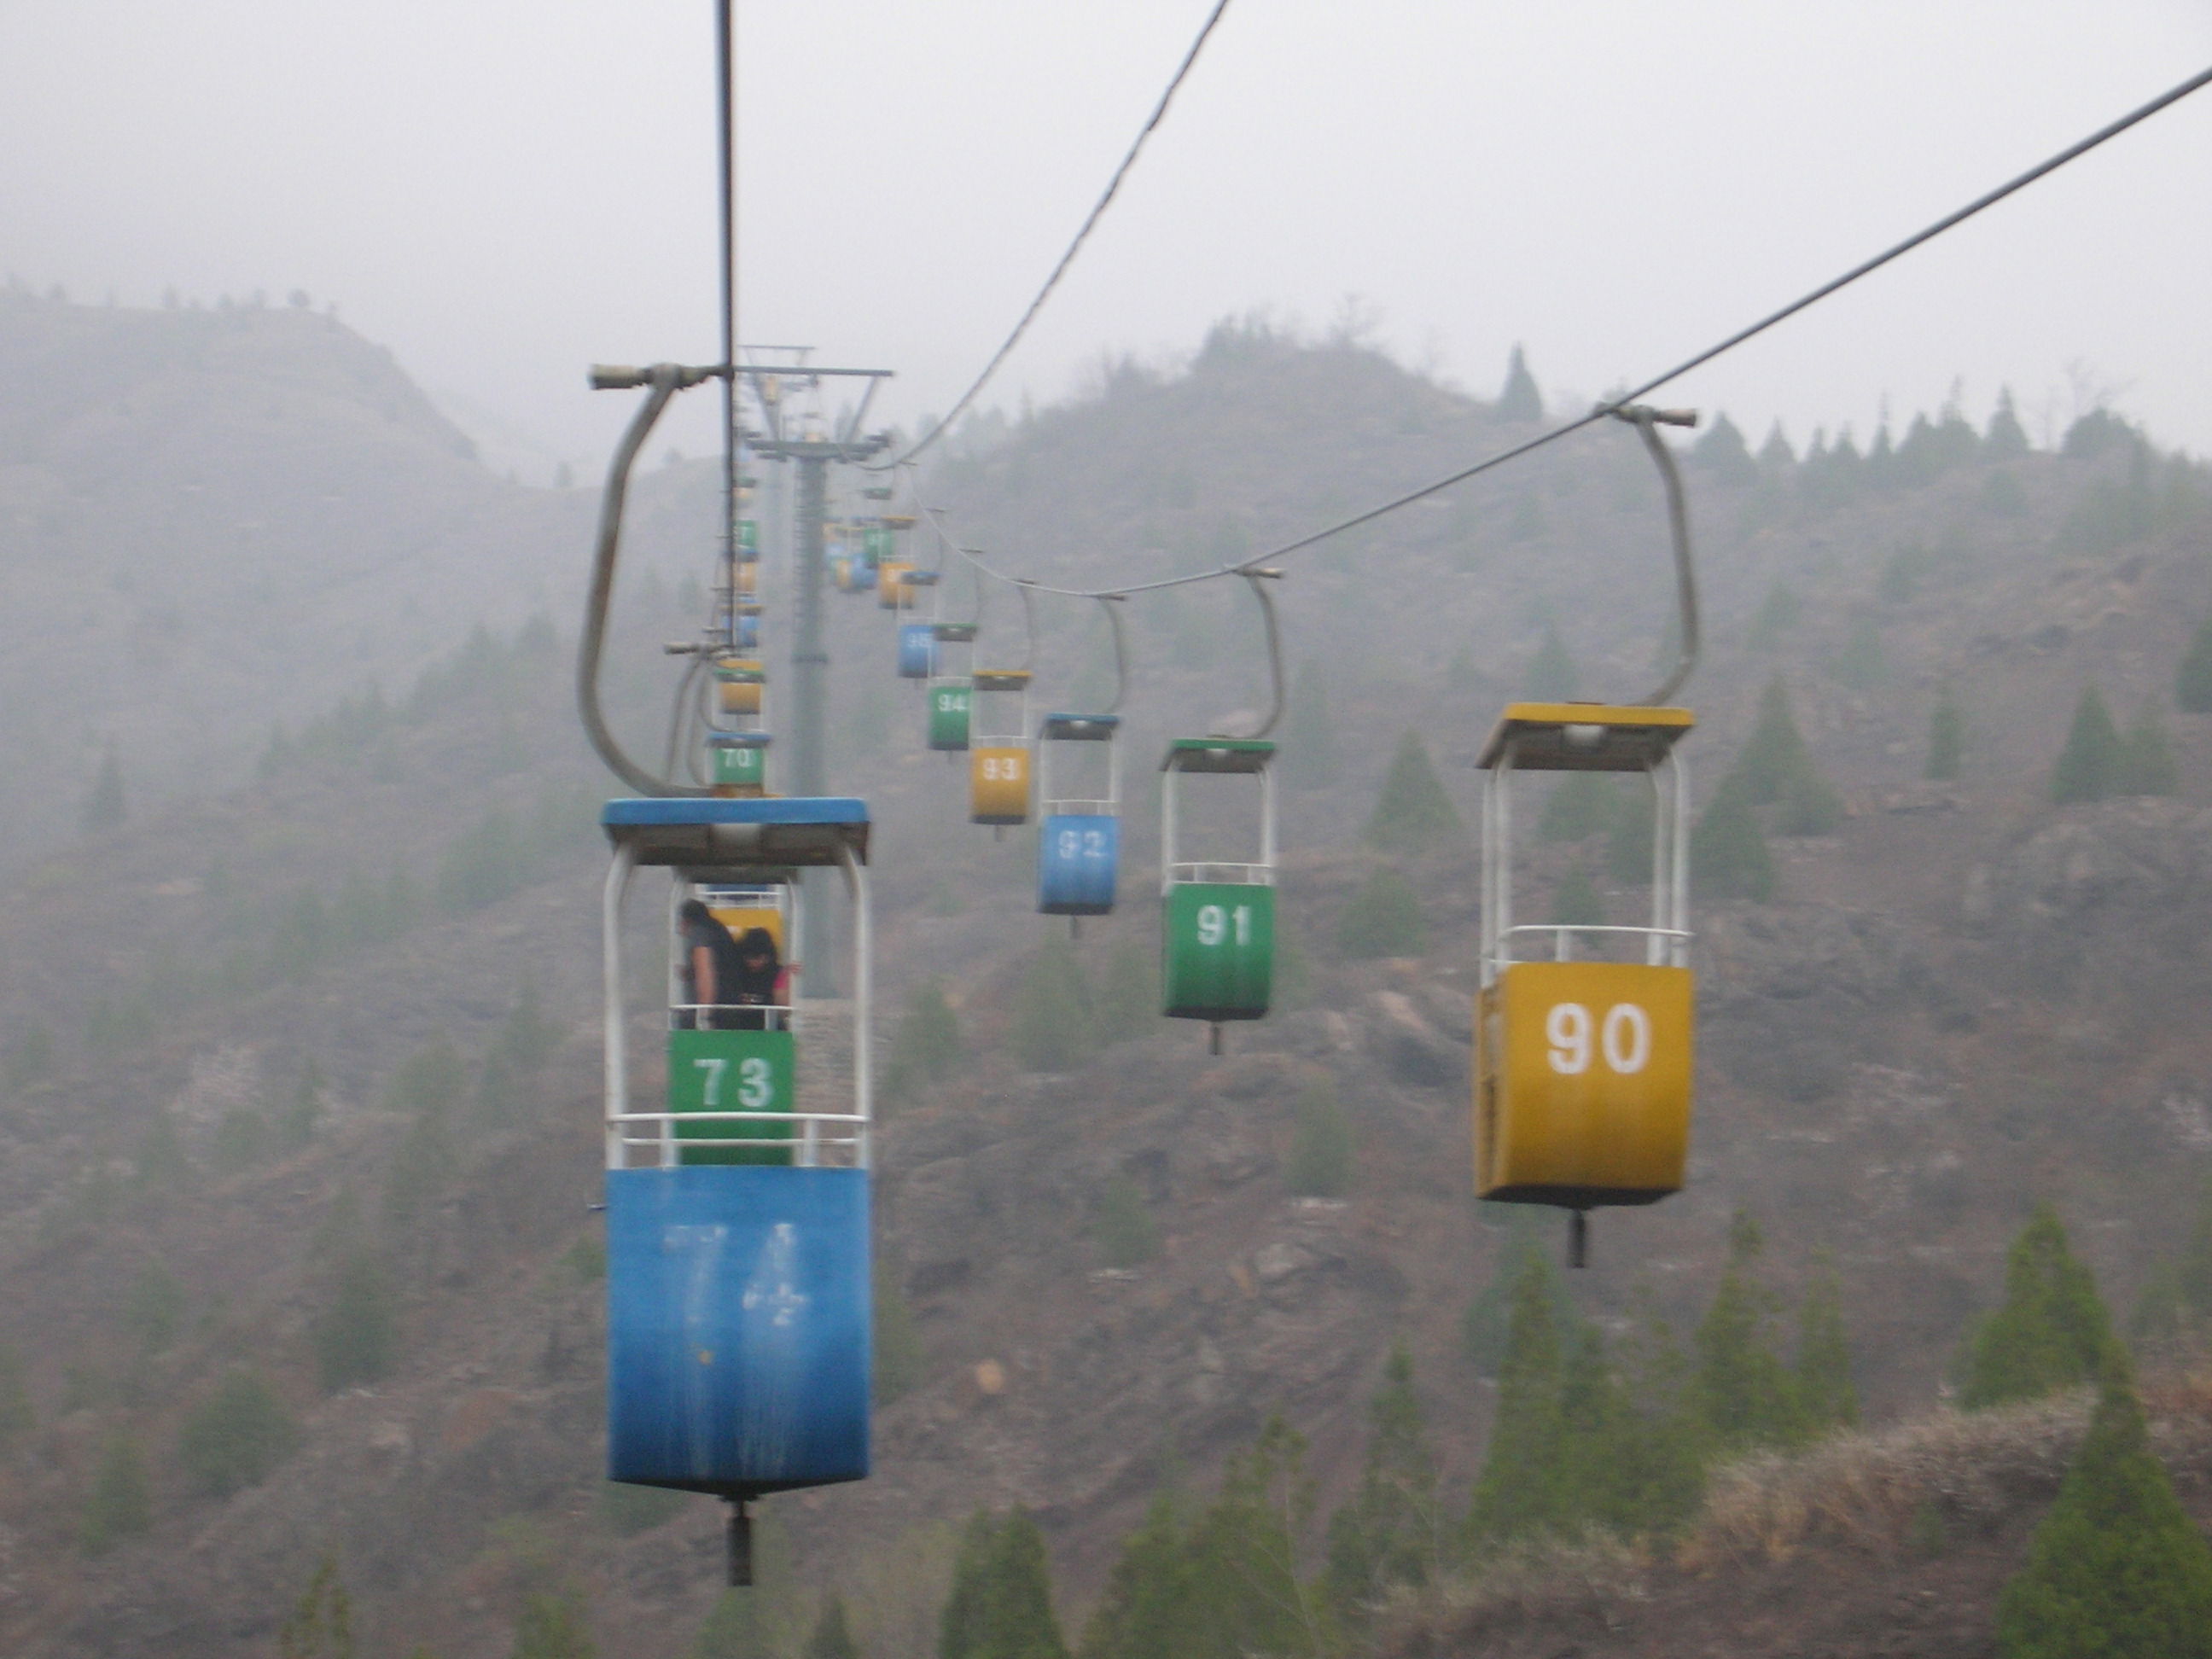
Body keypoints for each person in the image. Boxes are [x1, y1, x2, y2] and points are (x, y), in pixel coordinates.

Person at [675, 899, 746, 1029]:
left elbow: (705, 973)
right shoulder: (718, 929)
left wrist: (704, 1016)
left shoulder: (699, 933)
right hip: (733, 1008)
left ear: (686, 920)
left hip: (716, 1013)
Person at [725, 928, 789, 1030]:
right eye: (750, 957)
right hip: (738, 1028)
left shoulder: (777, 973)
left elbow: (783, 1011)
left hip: (770, 1029)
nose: (755, 963)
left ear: (769, 956)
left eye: (761, 958)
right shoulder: (735, 973)